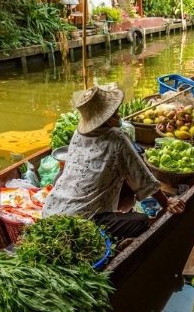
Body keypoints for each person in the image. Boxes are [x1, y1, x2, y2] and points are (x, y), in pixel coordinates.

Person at [42, 86, 185, 240]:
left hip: (50, 211)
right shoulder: (116, 137)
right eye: (114, 112)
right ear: (106, 117)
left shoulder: (78, 134)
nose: (118, 113)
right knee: (142, 221)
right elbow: (142, 177)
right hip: (78, 223)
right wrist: (167, 202)